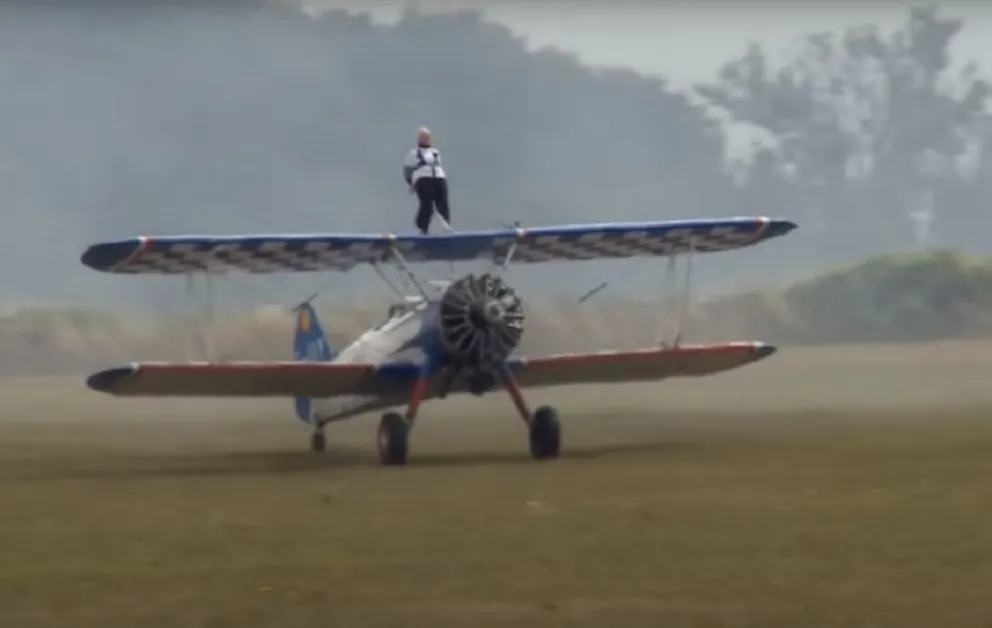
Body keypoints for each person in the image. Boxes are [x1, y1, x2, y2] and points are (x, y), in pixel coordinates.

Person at [403, 126, 451, 234]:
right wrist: (411, 183)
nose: (425, 139)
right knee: (427, 205)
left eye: (427, 137)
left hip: (439, 177)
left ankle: (445, 226)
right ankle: (421, 228)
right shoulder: (413, 153)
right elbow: (407, 170)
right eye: (423, 137)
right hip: (423, 178)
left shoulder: (436, 152)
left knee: (443, 203)